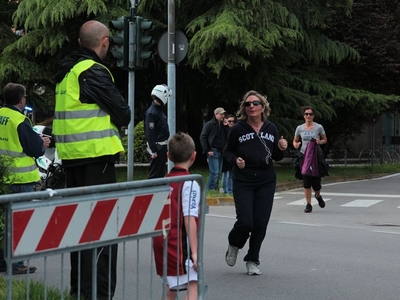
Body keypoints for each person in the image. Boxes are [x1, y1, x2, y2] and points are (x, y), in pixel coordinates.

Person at [53, 20, 131, 299]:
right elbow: (123, 113)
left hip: (71, 161)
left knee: (79, 232)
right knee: (101, 233)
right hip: (96, 161)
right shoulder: (93, 71)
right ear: (106, 41)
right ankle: (97, 295)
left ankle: (80, 292)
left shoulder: (67, 72)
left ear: (79, 43)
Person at [223, 90, 288, 275]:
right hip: (243, 179)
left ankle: (252, 260)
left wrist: (281, 148)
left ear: (263, 107)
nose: (251, 106)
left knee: (260, 223)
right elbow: (227, 151)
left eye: (255, 103)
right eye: (248, 104)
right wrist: (236, 160)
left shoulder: (271, 128)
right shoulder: (237, 129)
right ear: (244, 108)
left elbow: (276, 155)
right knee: (246, 222)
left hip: (266, 180)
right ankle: (234, 244)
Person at [0, 82, 51, 274]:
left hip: (2, 178)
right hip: (20, 180)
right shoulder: (20, 120)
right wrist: (41, 142)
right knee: (19, 223)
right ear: (22, 100)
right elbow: (34, 149)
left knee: (3, 222)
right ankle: (16, 264)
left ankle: (2, 261)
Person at [153, 132, 200, 300]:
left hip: (162, 241)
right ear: (194, 156)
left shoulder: (164, 180)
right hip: (180, 244)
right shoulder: (190, 182)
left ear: (168, 156)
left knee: (171, 289)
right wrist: (195, 252)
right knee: (194, 286)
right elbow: (189, 218)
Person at [293, 106, 327, 213]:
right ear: (303, 115)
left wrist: (319, 142)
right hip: (304, 156)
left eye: (310, 114)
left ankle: (318, 195)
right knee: (306, 181)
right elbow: (295, 141)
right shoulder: (299, 128)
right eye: (306, 114)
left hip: (315, 156)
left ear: (313, 116)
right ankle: (308, 204)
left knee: (316, 182)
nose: (308, 116)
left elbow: (325, 139)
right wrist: (296, 144)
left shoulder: (319, 127)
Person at [144, 84, 172, 179]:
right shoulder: (152, 113)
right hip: (157, 147)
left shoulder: (159, 111)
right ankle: (149, 193)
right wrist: (153, 149)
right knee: (154, 175)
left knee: (160, 174)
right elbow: (150, 132)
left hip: (162, 147)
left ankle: (159, 193)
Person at [199, 107, 227, 191]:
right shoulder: (209, 124)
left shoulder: (222, 125)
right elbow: (203, 137)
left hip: (221, 151)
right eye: (221, 114)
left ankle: (215, 187)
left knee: (218, 172)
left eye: (223, 114)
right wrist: (207, 150)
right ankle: (210, 189)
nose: (223, 116)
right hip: (213, 150)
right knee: (214, 172)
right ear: (216, 114)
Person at [221, 114, 236, 194]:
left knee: (229, 172)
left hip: (231, 153)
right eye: (229, 121)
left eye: (233, 121)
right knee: (227, 172)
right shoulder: (224, 130)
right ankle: (227, 190)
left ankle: (228, 189)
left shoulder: (234, 130)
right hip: (226, 153)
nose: (231, 123)